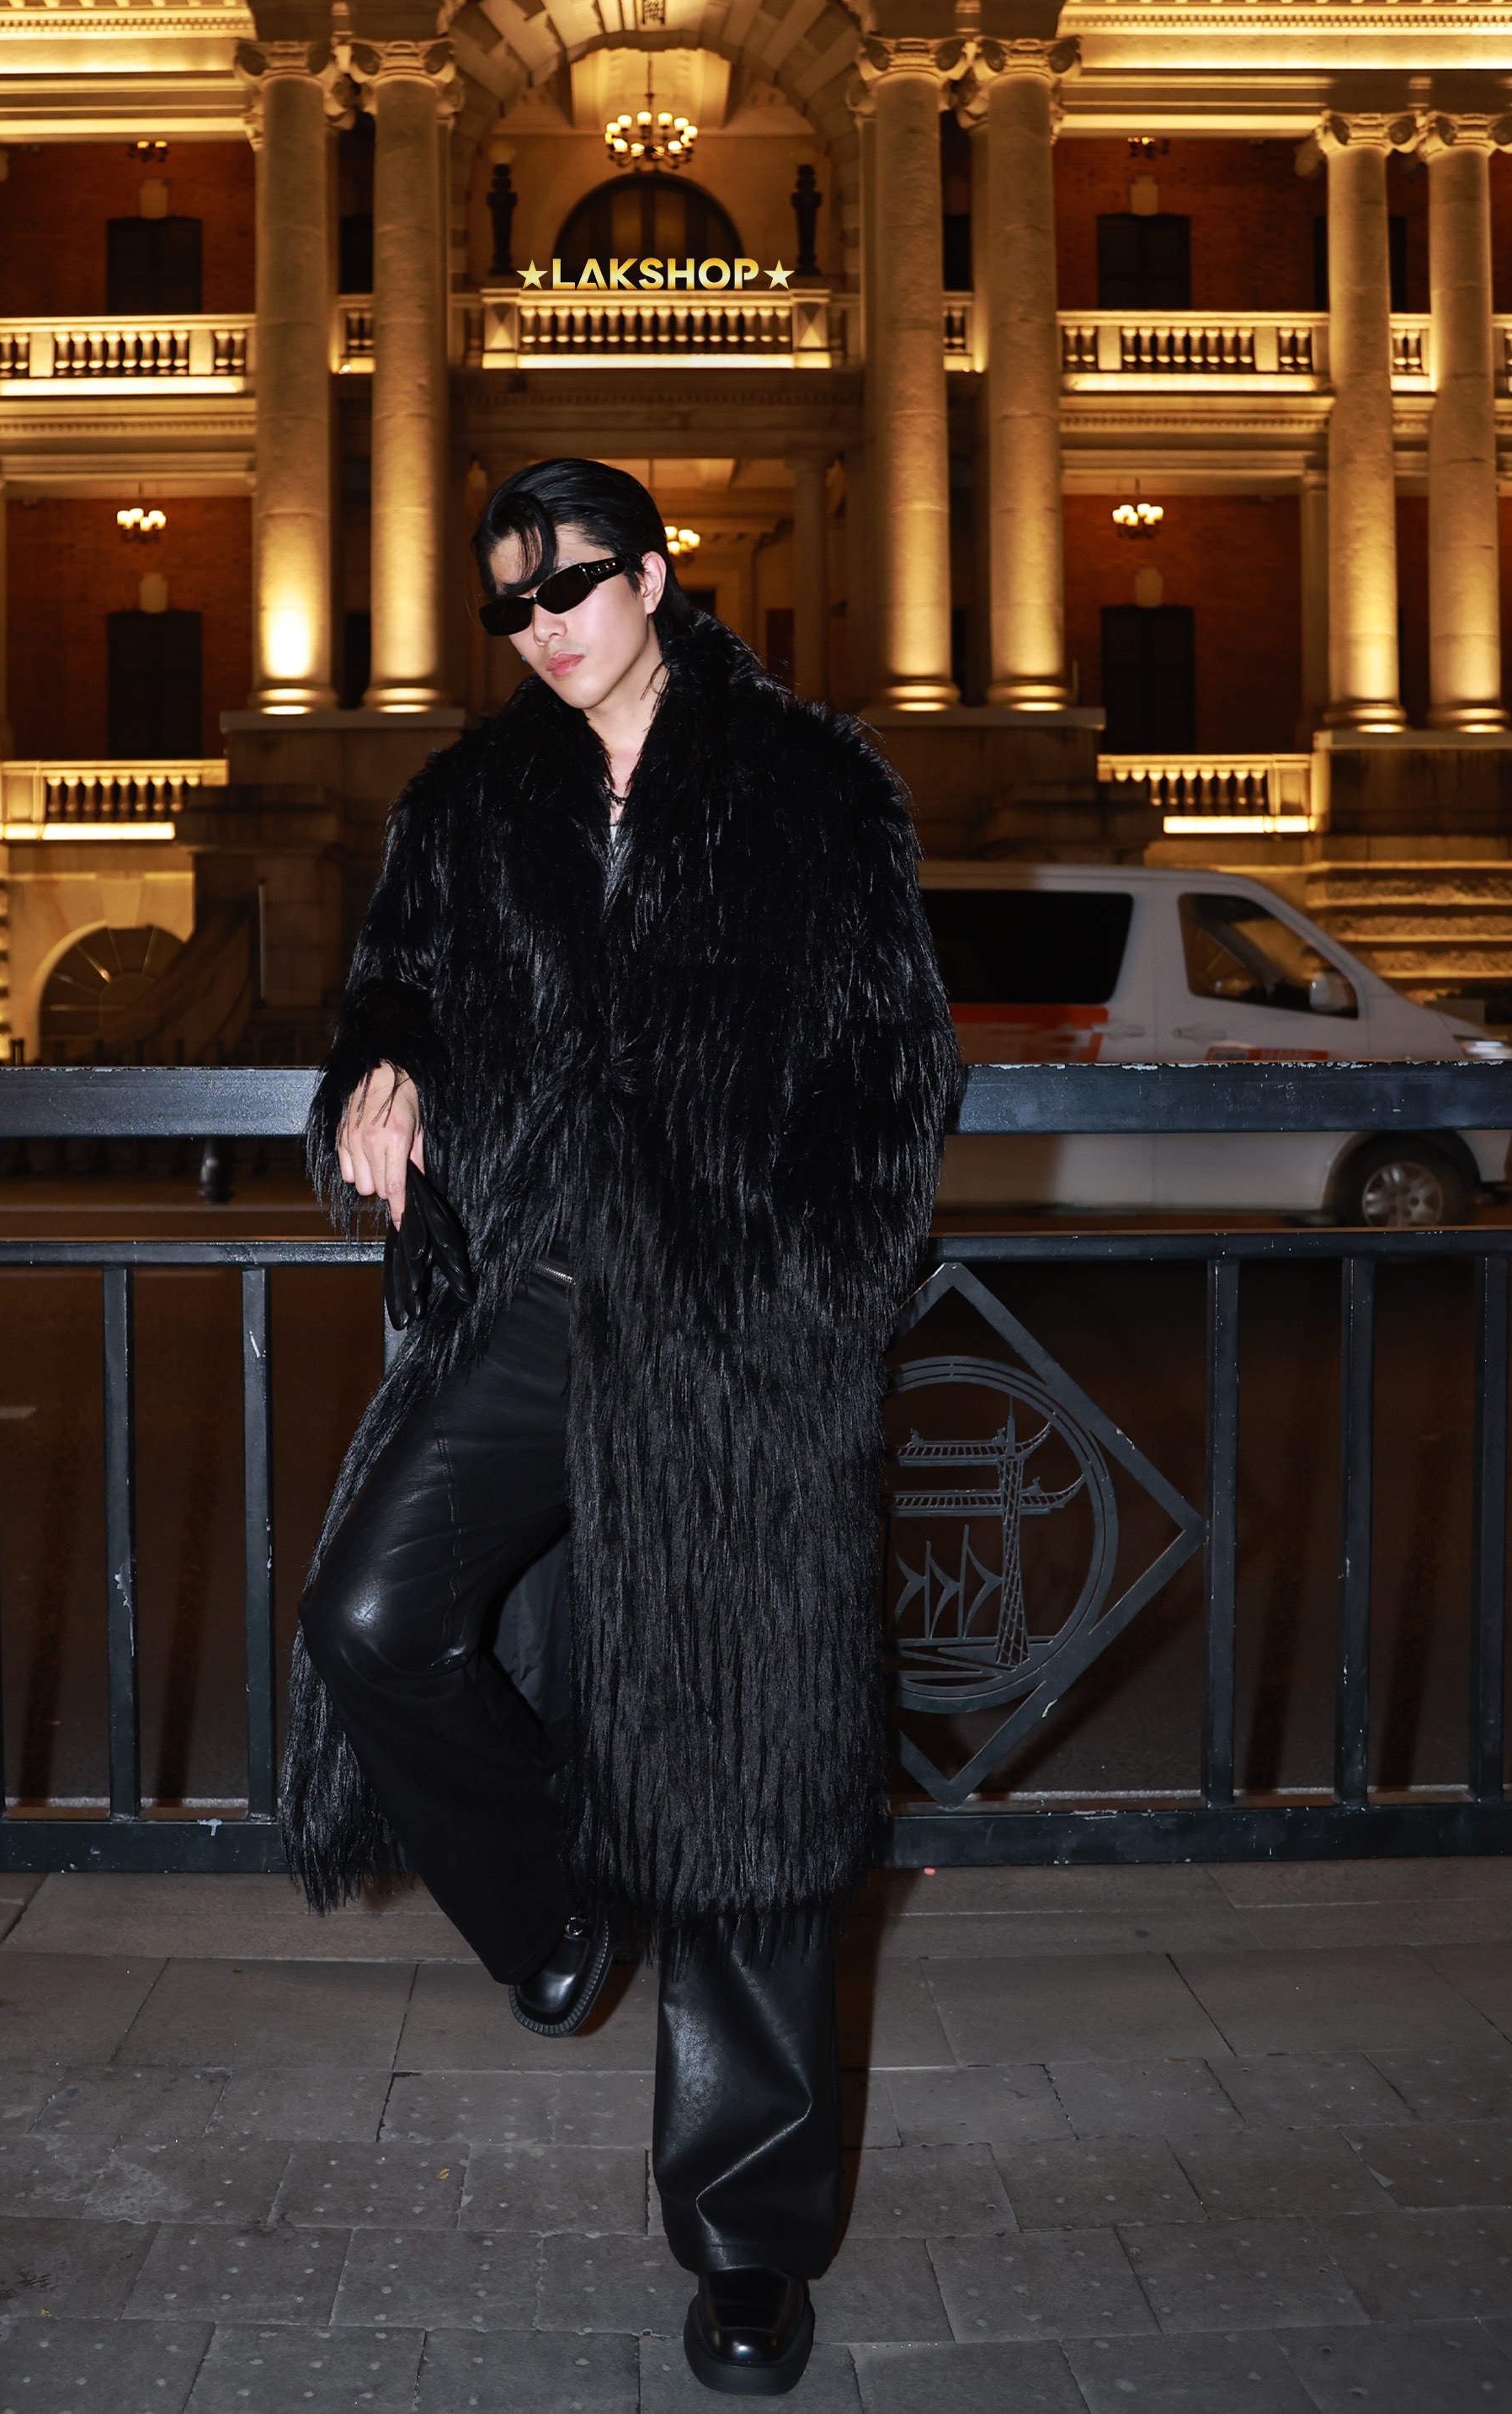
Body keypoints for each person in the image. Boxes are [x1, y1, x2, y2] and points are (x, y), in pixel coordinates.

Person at [283, 458, 959, 2396]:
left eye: (570, 584)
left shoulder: (808, 787)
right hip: (546, 1300)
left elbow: (898, 1068)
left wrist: (810, 1303)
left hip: (743, 1324)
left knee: (746, 1770)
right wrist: (379, 1065)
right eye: (510, 602)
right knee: (370, 1616)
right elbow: (396, 987)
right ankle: (558, 1913)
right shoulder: (468, 805)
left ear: (656, 577)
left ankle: (747, 2242)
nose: (543, 625)